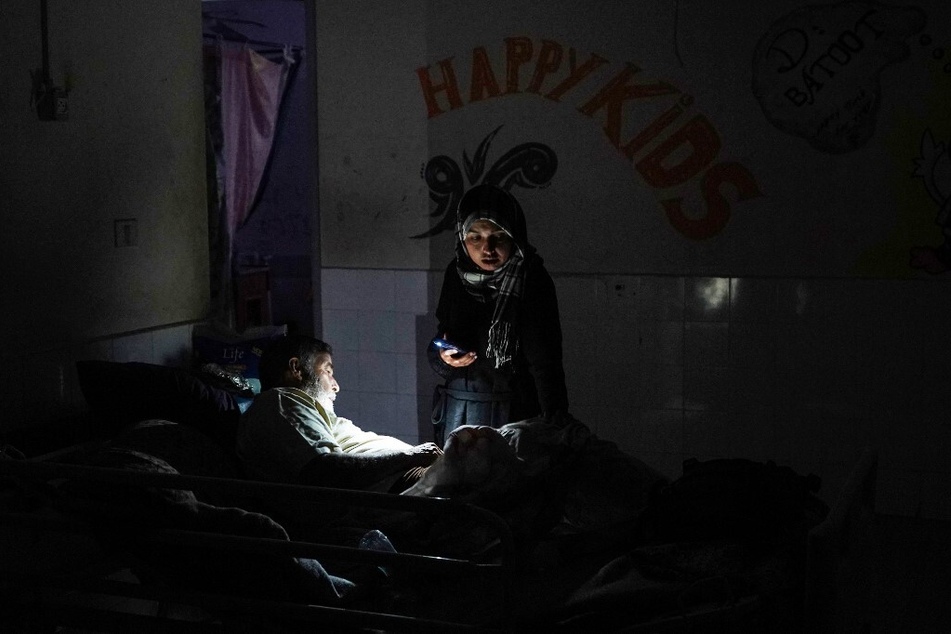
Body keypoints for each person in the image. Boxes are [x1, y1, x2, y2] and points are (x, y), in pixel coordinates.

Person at [428, 183, 569, 446]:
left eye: (498, 236)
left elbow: (546, 362)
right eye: (475, 237)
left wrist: (554, 421)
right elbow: (442, 336)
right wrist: (443, 357)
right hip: (460, 413)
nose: (487, 248)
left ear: (514, 235)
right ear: (462, 236)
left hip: (514, 417)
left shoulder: (531, 278)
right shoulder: (455, 273)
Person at [236, 334, 441, 494]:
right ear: (296, 368)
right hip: (400, 490)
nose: (336, 387)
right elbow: (326, 472)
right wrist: (409, 457)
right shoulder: (280, 402)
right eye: (328, 371)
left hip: (411, 480)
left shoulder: (315, 415)